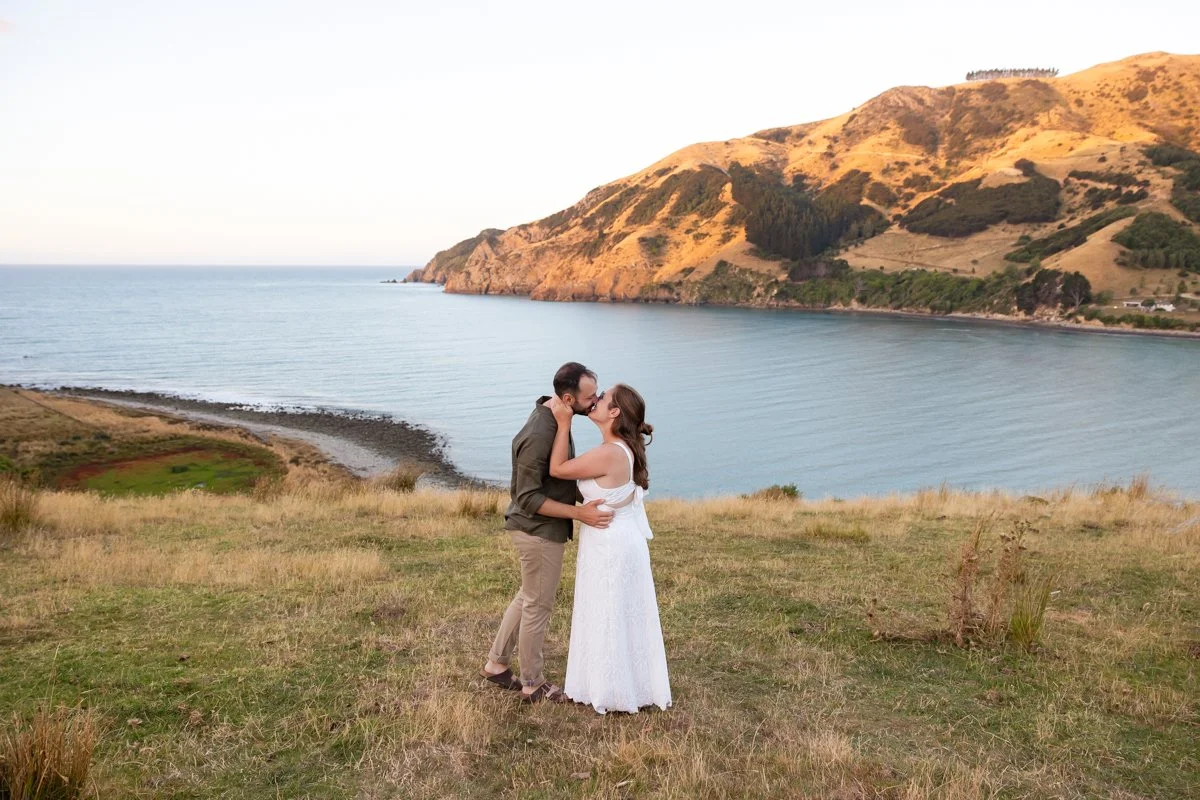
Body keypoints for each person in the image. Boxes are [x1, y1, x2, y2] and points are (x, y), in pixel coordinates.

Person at [480, 362, 614, 703]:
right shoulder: (541, 432)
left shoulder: (557, 417)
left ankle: (496, 664)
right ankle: (533, 683)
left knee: (529, 596)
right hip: (536, 530)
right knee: (538, 605)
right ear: (568, 399)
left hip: (539, 527)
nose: (596, 401)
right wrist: (579, 513)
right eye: (590, 397)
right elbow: (526, 497)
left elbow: (557, 477)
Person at [546, 383, 672, 714]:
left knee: (610, 612)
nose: (596, 400)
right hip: (614, 538)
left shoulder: (611, 453)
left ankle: (614, 690)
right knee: (612, 611)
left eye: (603, 398)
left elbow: (557, 469)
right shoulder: (618, 449)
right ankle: (616, 684)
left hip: (611, 543)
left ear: (614, 412)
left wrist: (563, 423)